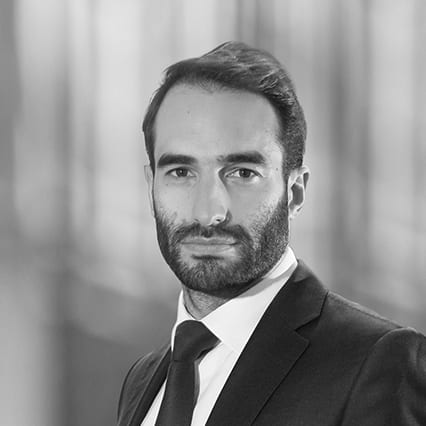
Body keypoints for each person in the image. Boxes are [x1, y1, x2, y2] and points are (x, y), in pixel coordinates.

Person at [117, 41, 426, 426]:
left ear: (294, 192)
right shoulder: (143, 380)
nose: (209, 212)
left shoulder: (378, 360)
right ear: (151, 186)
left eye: (242, 173)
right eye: (181, 172)